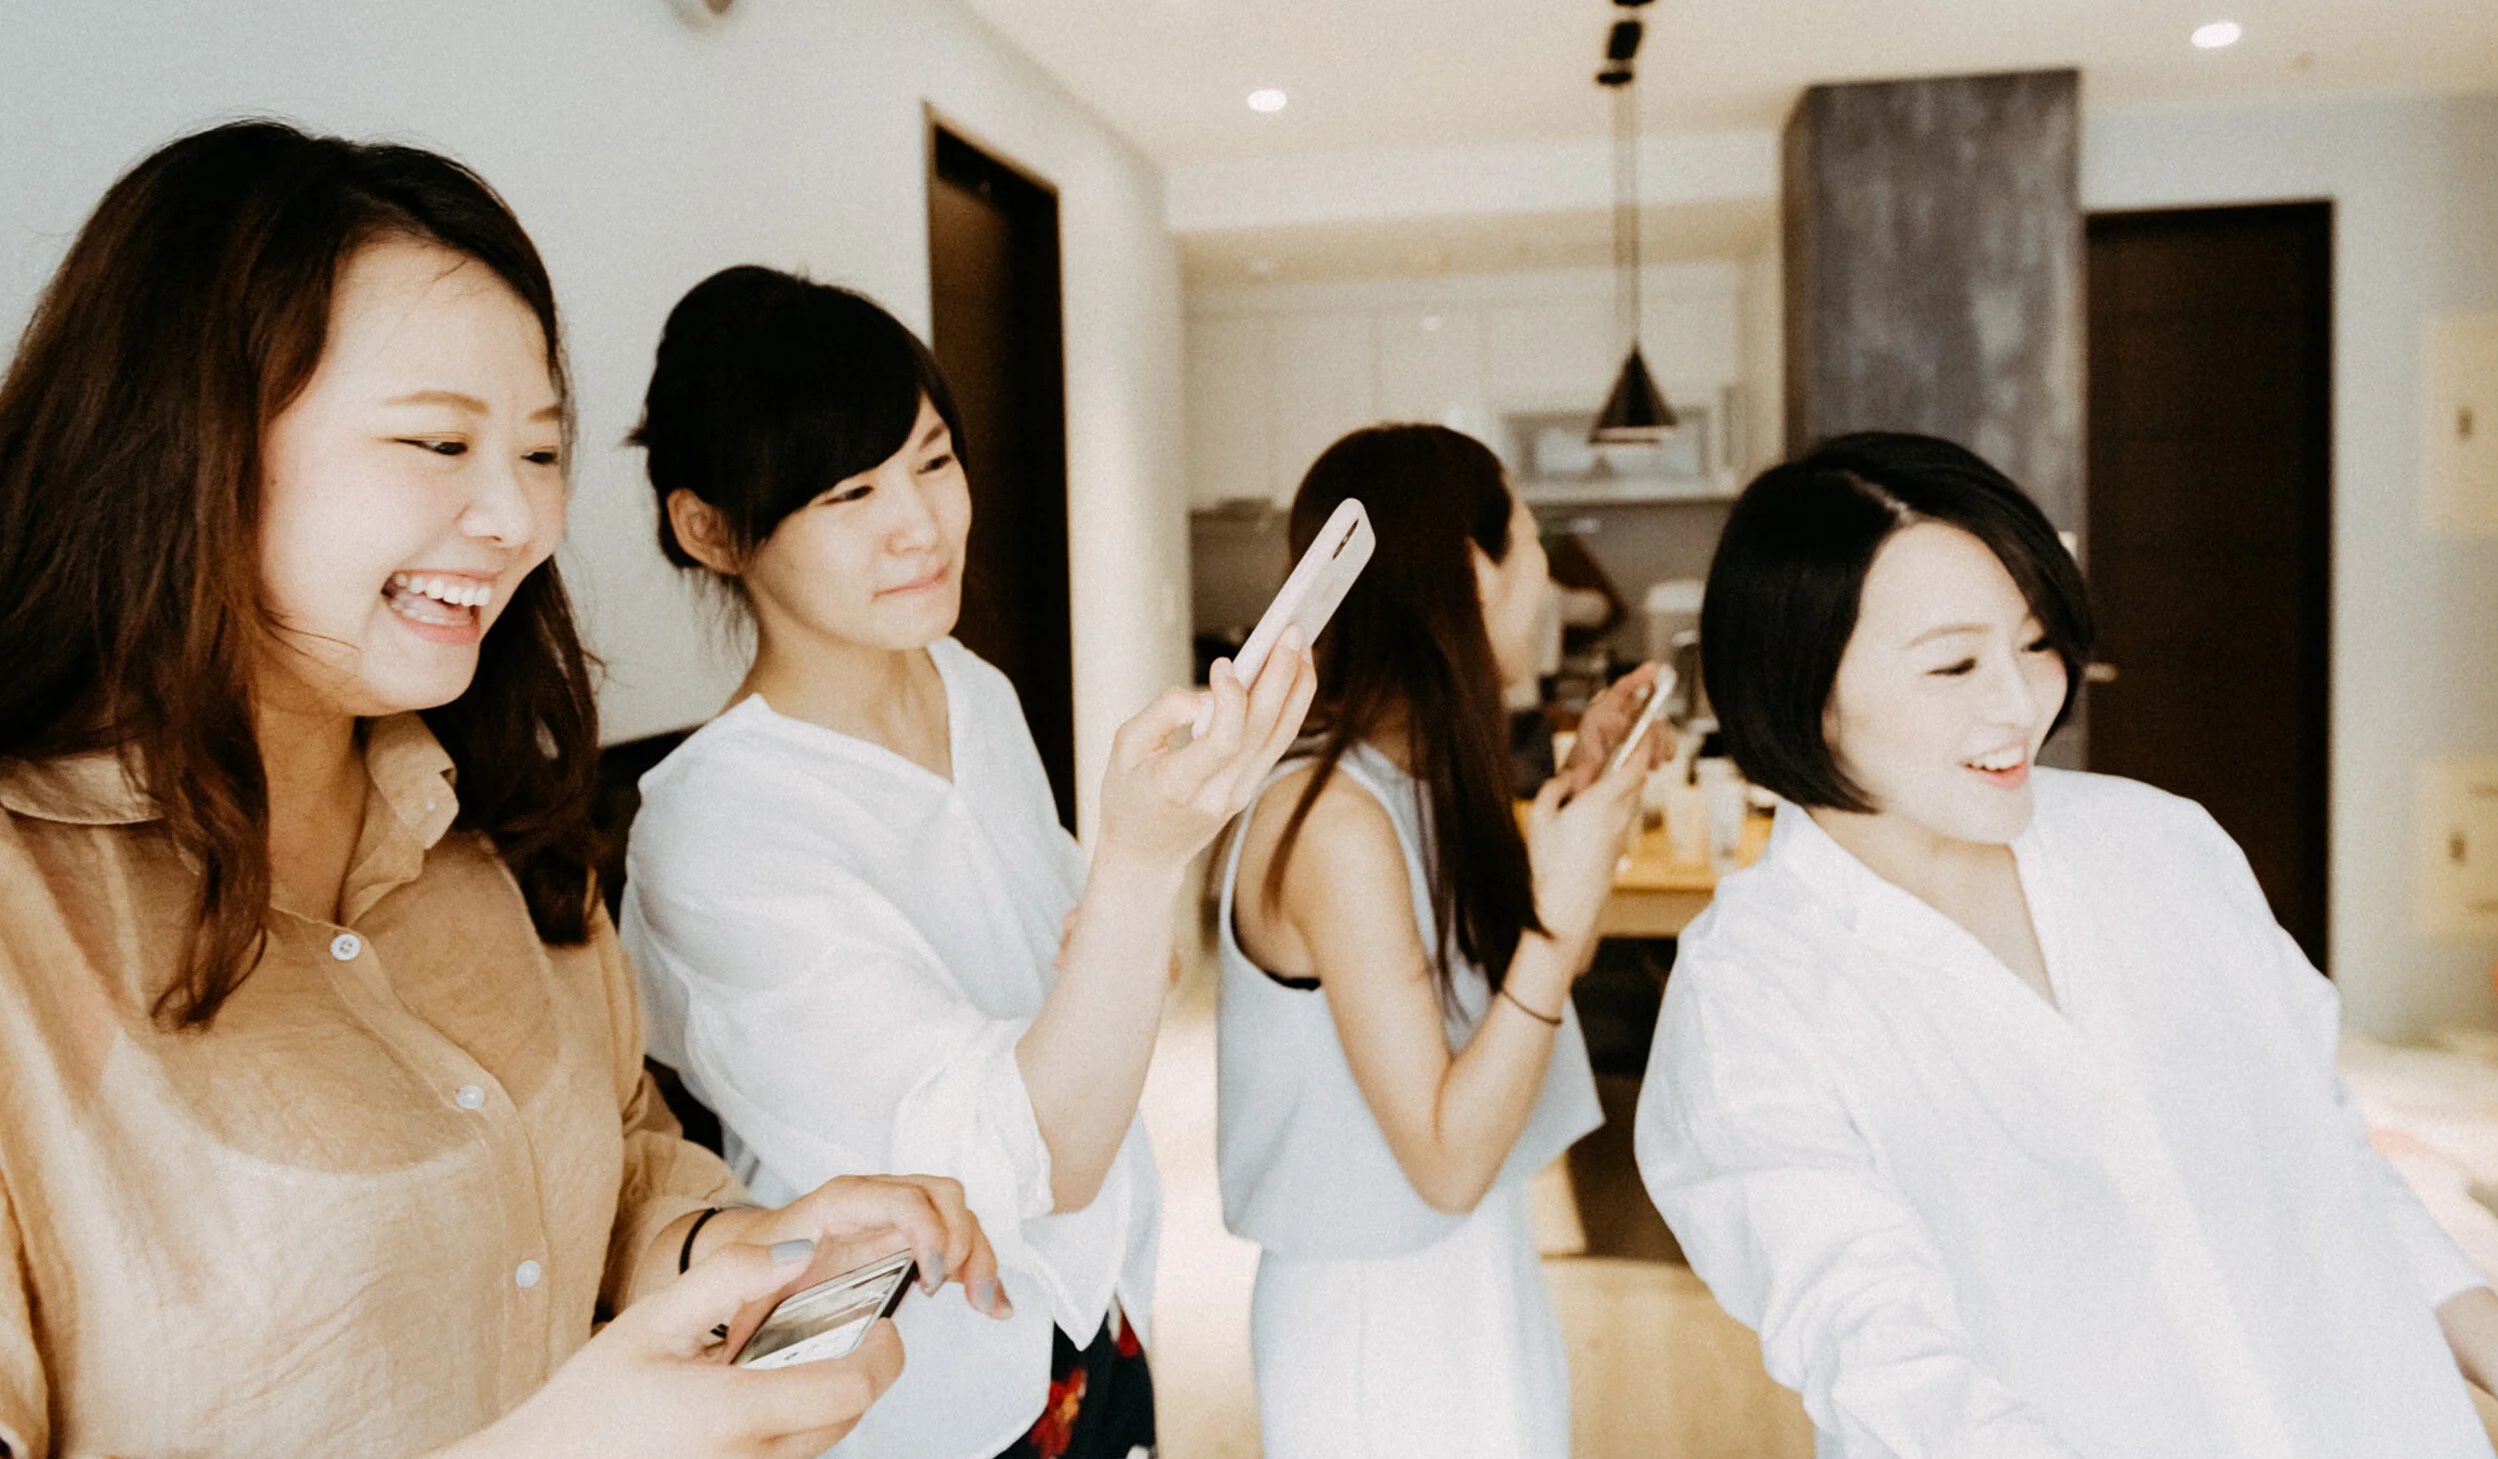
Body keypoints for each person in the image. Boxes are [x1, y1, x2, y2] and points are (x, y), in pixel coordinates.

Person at [0, 121, 1006, 1459]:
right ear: (183, 440)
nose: (518, 520)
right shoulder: (29, 924)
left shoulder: (495, 827)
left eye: (537, 454)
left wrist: (742, 1246)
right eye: (436, 444)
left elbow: (619, 1157)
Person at [1635, 431, 2498, 1456]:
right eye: (1954, 664)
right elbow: (1884, 1356)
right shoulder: (1752, 993)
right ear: (1799, 684)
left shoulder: (2159, 845)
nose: (2020, 702)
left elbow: (2322, 1154)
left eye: (2038, 643)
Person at [617, 266, 1317, 1459]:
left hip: (1090, 1310)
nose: (921, 526)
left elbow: (1096, 979)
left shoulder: (968, 685)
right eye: (850, 492)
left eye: (933, 462)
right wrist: (1141, 867)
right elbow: (1032, 1158)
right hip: (905, 1388)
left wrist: (1117, 924)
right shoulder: (716, 830)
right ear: (709, 530)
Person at [1215, 424, 1666, 1459]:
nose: (1549, 583)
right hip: (1377, 1319)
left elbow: (1528, 991)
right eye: (1535, 546)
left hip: (1472, 1267)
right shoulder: (1331, 822)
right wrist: (1557, 912)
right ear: (1475, 569)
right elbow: (1445, 1160)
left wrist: (1588, 806)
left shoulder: (1418, 780)